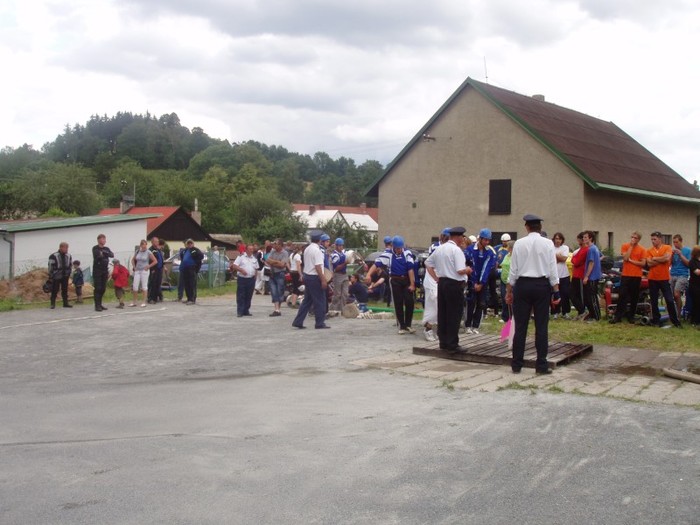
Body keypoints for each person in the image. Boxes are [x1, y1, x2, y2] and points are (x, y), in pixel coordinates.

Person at [505, 214, 560, 375]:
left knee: (520, 326)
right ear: (540, 228)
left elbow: (513, 270)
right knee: (541, 326)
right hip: (541, 285)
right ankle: (541, 365)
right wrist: (556, 291)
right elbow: (552, 269)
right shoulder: (548, 243)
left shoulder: (519, 243)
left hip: (522, 285)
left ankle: (516, 364)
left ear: (527, 227)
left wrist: (509, 291)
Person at [425, 227, 470, 353]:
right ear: (458, 237)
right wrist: (468, 270)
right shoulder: (456, 250)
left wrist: (436, 278)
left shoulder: (440, 248)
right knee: (454, 314)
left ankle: (443, 342)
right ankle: (452, 344)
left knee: (443, 313)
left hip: (442, 282)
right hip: (454, 284)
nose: (463, 240)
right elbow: (460, 270)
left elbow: (428, 263)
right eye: (462, 237)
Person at [366, 235, 416, 335]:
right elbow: (376, 264)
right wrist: (368, 275)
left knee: (409, 301)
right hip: (395, 280)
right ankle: (402, 326)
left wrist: (412, 284)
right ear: (393, 247)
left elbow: (410, 269)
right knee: (398, 302)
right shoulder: (388, 254)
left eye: (400, 248)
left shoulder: (407, 253)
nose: (399, 250)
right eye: (397, 248)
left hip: (406, 280)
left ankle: (408, 325)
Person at [293, 231, 330, 329]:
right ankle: (320, 322)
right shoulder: (317, 251)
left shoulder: (307, 249)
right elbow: (318, 266)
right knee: (320, 300)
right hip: (314, 277)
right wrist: (323, 280)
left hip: (307, 275)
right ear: (320, 240)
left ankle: (298, 321)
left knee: (307, 300)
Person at [646, 231, 682, 328]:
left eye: (654, 239)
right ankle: (656, 320)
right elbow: (649, 263)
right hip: (652, 278)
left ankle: (675, 320)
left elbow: (667, 258)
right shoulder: (649, 250)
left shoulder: (667, 247)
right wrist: (660, 259)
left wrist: (654, 258)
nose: (653, 241)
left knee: (669, 300)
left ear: (660, 239)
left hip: (664, 278)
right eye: (652, 239)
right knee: (654, 301)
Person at [464, 228, 497, 334]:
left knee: (481, 304)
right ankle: (467, 325)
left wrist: (481, 283)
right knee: (470, 303)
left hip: (483, 282)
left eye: (488, 240)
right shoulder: (470, 250)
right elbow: (470, 266)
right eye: (485, 240)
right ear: (480, 239)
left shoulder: (489, 253)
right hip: (471, 281)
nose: (487, 242)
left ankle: (476, 326)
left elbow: (486, 269)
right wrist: (474, 282)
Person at [610, 231, 646, 324]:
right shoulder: (625, 246)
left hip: (636, 275)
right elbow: (626, 258)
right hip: (626, 274)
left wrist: (632, 261)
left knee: (634, 296)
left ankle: (631, 316)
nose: (633, 239)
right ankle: (618, 316)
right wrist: (631, 247)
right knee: (622, 295)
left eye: (635, 238)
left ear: (638, 239)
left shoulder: (642, 249)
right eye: (632, 237)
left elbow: (643, 263)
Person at [422, 228, 450, 341]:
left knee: (442, 304)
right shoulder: (436, 247)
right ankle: (428, 328)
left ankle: (439, 329)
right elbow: (429, 264)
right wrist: (435, 278)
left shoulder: (450, 248)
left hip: (442, 277)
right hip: (432, 277)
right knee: (434, 302)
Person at [231, 244, 258, 317]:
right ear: (246, 250)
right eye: (250, 249)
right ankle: (240, 311)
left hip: (251, 279)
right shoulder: (241, 257)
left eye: (252, 249)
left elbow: (256, 268)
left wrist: (255, 278)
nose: (251, 250)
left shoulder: (254, 258)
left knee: (249, 295)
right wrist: (241, 270)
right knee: (241, 295)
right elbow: (234, 266)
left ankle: (246, 310)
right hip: (242, 279)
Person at [130, 240, 157, 307]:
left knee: (144, 286)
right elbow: (133, 260)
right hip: (137, 270)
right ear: (141, 245)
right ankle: (134, 301)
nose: (144, 246)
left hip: (144, 271)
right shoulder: (137, 251)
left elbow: (155, 261)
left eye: (145, 245)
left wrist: (149, 266)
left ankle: (144, 301)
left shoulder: (148, 252)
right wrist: (134, 267)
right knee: (135, 286)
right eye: (143, 245)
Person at [265, 239, 289, 317]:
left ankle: (278, 309)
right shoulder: (273, 251)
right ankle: (276, 309)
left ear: (280, 245)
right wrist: (277, 262)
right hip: (272, 274)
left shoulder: (285, 253)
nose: (274, 245)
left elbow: (282, 265)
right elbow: (267, 260)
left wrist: (273, 262)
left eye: (276, 244)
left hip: (280, 274)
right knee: (273, 291)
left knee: (279, 291)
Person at [582, 230, 602, 321]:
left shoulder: (591, 249)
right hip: (594, 276)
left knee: (592, 297)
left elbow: (591, 263)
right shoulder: (594, 248)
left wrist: (586, 276)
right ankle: (591, 314)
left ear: (590, 238)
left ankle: (596, 316)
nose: (584, 239)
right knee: (588, 297)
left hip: (592, 277)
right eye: (583, 237)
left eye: (586, 237)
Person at [670, 234, 691, 318]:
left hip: (682, 274)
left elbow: (689, 264)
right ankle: (674, 313)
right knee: (671, 296)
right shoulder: (673, 251)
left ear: (681, 241)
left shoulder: (687, 250)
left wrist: (680, 255)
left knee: (677, 294)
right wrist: (671, 256)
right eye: (674, 242)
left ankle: (678, 315)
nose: (675, 244)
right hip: (673, 274)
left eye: (677, 242)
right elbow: (670, 263)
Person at [551, 233, 571, 319]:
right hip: (554, 275)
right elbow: (551, 260)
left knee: (565, 293)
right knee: (555, 294)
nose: (558, 240)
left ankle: (565, 312)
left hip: (564, 275)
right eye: (556, 238)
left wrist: (555, 256)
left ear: (562, 240)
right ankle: (556, 312)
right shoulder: (551, 247)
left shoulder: (565, 248)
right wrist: (559, 256)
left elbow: (564, 259)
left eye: (559, 239)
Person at [92, 234, 114, 312]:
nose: (104, 241)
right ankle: (97, 305)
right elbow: (98, 256)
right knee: (98, 288)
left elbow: (111, 255)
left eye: (105, 239)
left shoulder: (106, 248)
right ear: (98, 240)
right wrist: (104, 254)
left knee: (103, 288)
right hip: (97, 271)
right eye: (103, 239)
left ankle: (100, 303)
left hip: (105, 270)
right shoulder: (95, 248)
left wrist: (104, 253)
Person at [48, 242, 73, 309]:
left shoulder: (69, 256)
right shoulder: (53, 256)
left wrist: (69, 273)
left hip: (65, 275)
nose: (67, 249)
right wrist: (50, 275)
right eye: (65, 248)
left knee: (65, 290)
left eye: (67, 248)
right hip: (56, 275)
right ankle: (52, 304)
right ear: (61, 247)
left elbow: (70, 265)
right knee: (55, 290)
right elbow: (50, 266)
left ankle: (65, 303)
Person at [179, 239, 204, 305]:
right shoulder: (185, 250)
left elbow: (201, 256)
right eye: (188, 243)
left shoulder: (195, 250)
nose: (189, 244)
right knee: (186, 284)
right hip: (185, 269)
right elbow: (181, 256)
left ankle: (192, 299)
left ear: (193, 244)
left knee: (192, 284)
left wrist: (195, 264)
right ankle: (188, 298)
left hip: (192, 268)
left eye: (191, 243)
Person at [570, 232, 587, 319]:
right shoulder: (580, 250)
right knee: (572, 294)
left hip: (580, 275)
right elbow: (573, 259)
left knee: (580, 295)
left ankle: (582, 311)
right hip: (575, 275)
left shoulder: (585, 250)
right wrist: (574, 259)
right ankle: (580, 311)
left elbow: (576, 261)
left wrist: (574, 259)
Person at [330, 238, 350, 312]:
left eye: (342, 245)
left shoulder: (343, 253)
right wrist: (345, 263)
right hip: (338, 275)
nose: (341, 247)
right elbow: (336, 268)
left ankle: (342, 309)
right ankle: (334, 309)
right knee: (337, 294)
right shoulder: (335, 255)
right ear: (336, 246)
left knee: (345, 294)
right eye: (339, 245)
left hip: (345, 274)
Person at [498, 241, 514, 322]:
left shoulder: (515, 257)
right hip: (503, 280)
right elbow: (502, 265)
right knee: (504, 297)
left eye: (508, 247)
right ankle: (505, 317)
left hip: (510, 281)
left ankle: (512, 317)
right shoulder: (507, 255)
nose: (507, 248)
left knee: (511, 299)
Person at [147, 237, 164, 304]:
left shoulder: (158, 249)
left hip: (159, 269)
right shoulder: (151, 250)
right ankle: (150, 298)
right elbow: (150, 260)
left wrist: (163, 266)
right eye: (156, 241)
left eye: (158, 241)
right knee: (152, 284)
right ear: (152, 242)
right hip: (154, 269)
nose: (157, 243)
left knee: (158, 284)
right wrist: (152, 269)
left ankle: (155, 298)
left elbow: (161, 259)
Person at [687, 245, 700, 326]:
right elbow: (697, 272)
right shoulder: (692, 262)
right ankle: (695, 320)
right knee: (696, 303)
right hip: (695, 286)